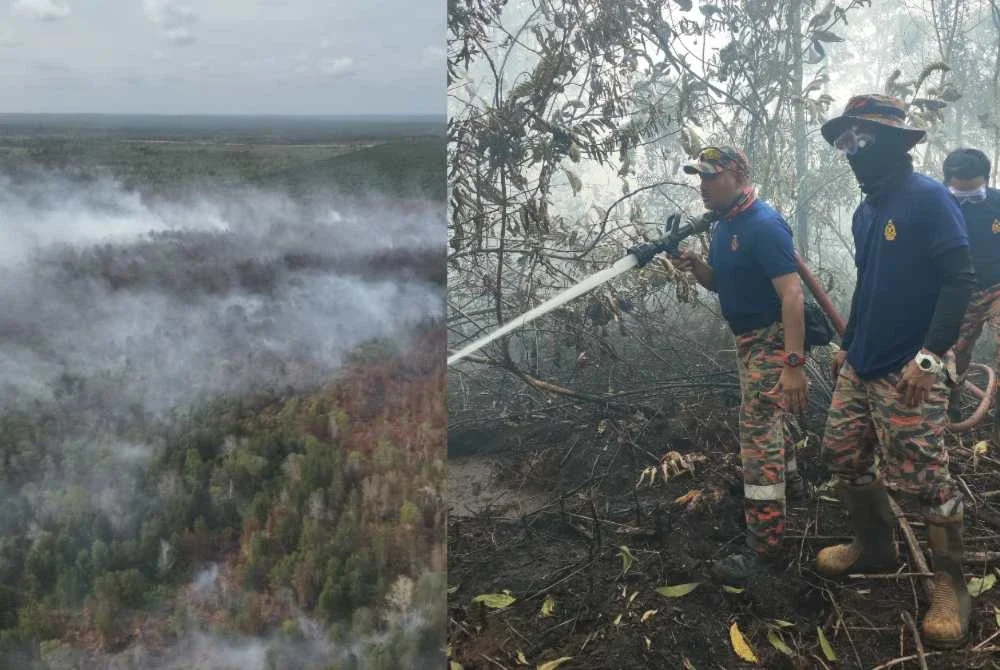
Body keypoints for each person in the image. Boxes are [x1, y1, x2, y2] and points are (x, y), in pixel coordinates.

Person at [816, 94, 975, 648]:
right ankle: (875, 547)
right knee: (842, 452)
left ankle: (952, 586)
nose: (850, 152)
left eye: (859, 140)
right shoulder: (867, 210)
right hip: (863, 361)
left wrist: (930, 357)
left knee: (925, 479)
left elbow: (960, 280)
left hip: (913, 364)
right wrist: (847, 342)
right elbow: (869, 283)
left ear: (888, 142)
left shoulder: (927, 198)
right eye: (843, 142)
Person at [634, 145, 809, 584]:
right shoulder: (724, 224)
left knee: (757, 437)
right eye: (699, 177)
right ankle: (795, 487)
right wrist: (697, 266)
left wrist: (792, 364)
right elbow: (723, 284)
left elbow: (792, 295)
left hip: (771, 341)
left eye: (710, 177)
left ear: (737, 176)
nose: (702, 186)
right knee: (769, 423)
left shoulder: (763, 225)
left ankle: (765, 547)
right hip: (749, 342)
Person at [942, 148, 1000, 420]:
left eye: (974, 194)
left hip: (996, 287)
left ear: (986, 181)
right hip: (959, 291)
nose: (968, 202)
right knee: (957, 352)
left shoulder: (997, 204)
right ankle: (952, 401)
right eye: (960, 196)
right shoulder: (937, 206)